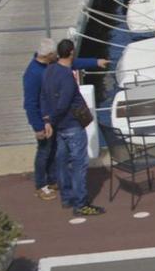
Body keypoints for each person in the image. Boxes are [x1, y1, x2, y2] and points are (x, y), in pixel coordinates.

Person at [39, 37, 107, 216]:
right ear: (70, 52)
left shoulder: (49, 70)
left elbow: (44, 97)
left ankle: (67, 198)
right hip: (72, 125)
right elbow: (63, 104)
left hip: (59, 127)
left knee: (62, 162)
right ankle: (81, 203)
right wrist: (52, 120)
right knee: (79, 164)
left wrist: (47, 120)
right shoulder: (67, 77)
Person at [23, 38, 60, 201]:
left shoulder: (47, 66)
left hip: (51, 118)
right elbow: (30, 103)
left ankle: (52, 179)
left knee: (52, 149)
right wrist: (38, 127)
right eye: (55, 53)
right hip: (42, 120)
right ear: (49, 55)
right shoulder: (32, 74)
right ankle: (40, 185)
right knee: (43, 151)